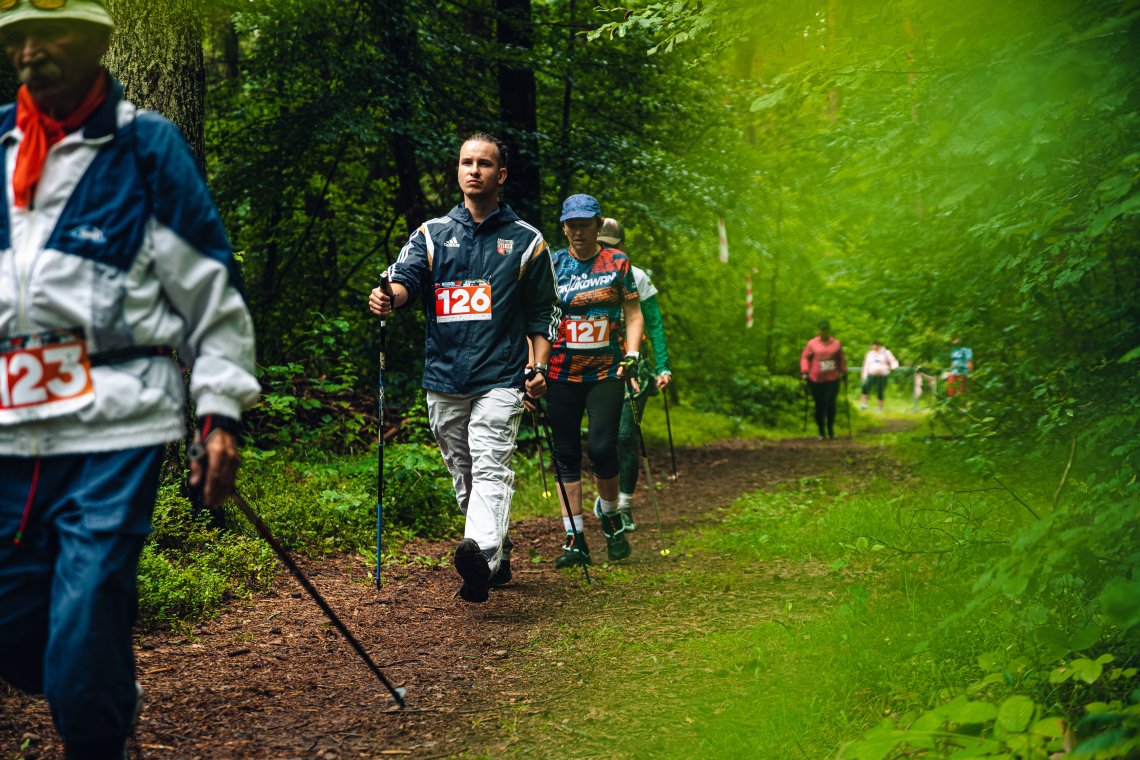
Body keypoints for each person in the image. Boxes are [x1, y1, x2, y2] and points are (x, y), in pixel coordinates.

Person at [0, 3, 260, 757]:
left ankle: (97, 709)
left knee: (82, 634)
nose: (30, 50)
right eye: (17, 37)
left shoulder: (145, 146)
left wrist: (219, 412)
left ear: (96, 42)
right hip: (12, 431)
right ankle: (103, 685)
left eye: (49, 34)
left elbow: (211, 292)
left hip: (115, 424)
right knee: (15, 630)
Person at [368, 133, 559, 604]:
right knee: (465, 474)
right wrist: (389, 297)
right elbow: (406, 279)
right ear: (457, 171)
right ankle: (497, 551)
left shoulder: (527, 242)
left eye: (484, 163)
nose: (474, 170)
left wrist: (538, 365)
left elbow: (543, 313)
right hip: (445, 377)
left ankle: (482, 560)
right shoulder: (431, 234)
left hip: (502, 376)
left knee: (490, 461)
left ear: (501, 174)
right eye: (466, 162)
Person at [544, 196, 644, 567]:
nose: (579, 231)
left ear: (598, 225)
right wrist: (534, 365)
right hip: (560, 372)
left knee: (602, 448)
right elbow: (538, 316)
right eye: (572, 225)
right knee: (565, 453)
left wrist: (633, 353)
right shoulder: (552, 264)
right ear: (564, 227)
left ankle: (610, 515)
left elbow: (633, 313)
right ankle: (575, 538)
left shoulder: (617, 262)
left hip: (606, 371)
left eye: (585, 224)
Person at [597, 217, 671, 532]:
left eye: (612, 246)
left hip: (634, 366)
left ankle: (624, 506)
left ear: (623, 247)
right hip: (595, 367)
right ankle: (608, 500)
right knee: (603, 440)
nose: (607, 252)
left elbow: (653, 323)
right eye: (602, 246)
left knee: (626, 436)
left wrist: (663, 366)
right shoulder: (582, 277)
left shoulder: (637, 277)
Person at [800, 320, 847, 440]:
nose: (824, 332)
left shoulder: (836, 344)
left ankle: (830, 429)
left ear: (829, 331)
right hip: (816, 379)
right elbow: (805, 357)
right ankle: (821, 431)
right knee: (819, 405)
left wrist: (844, 372)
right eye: (822, 330)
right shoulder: (812, 343)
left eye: (826, 330)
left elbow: (841, 358)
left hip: (833, 378)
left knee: (830, 403)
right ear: (819, 331)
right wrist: (805, 371)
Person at [859, 340, 898, 412]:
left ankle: (880, 408)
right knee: (865, 387)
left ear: (878, 345)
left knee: (880, 391)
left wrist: (894, 367)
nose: (872, 348)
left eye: (874, 346)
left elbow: (893, 361)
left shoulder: (886, 353)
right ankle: (863, 404)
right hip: (872, 374)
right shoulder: (870, 354)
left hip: (882, 375)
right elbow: (866, 365)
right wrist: (864, 375)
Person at [947, 336, 973, 403]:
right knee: (951, 389)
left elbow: (969, 362)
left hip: (962, 372)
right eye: (953, 340)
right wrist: (950, 371)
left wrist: (970, 373)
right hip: (953, 372)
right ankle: (951, 405)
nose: (953, 341)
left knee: (962, 390)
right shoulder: (954, 350)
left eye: (955, 339)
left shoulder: (966, 349)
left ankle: (964, 406)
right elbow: (952, 362)